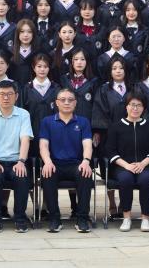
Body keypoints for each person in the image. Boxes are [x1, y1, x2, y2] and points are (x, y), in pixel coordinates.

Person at [0, 80, 33, 233]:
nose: (6, 98)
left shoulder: (23, 114)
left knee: (22, 177)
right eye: (2, 94)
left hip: (17, 161)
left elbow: (25, 139)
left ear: (16, 96)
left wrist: (21, 161)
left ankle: (20, 218)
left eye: (10, 94)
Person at [39, 89, 94, 233]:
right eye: (62, 100)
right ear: (56, 103)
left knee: (85, 174)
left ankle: (82, 218)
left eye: (70, 100)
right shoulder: (47, 121)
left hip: (76, 164)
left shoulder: (83, 121)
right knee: (47, 174)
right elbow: (43, 145)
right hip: (54, 163)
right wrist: (47, 162)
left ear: (75, 103)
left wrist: (86, 161)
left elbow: (87, 144)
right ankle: (54, 219)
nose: (66, 102)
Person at [105, 93, 149, 232]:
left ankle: (145, 218)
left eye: (139, 105)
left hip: (145, 166)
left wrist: (142, 164)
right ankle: (126, 217)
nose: (135, 108)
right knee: (125, 179)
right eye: (132, 105)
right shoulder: (116, 127)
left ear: (143, 108)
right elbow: (110, 151)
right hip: (122, 166)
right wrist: (127, 165)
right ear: (126, 107)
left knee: (146, 179)